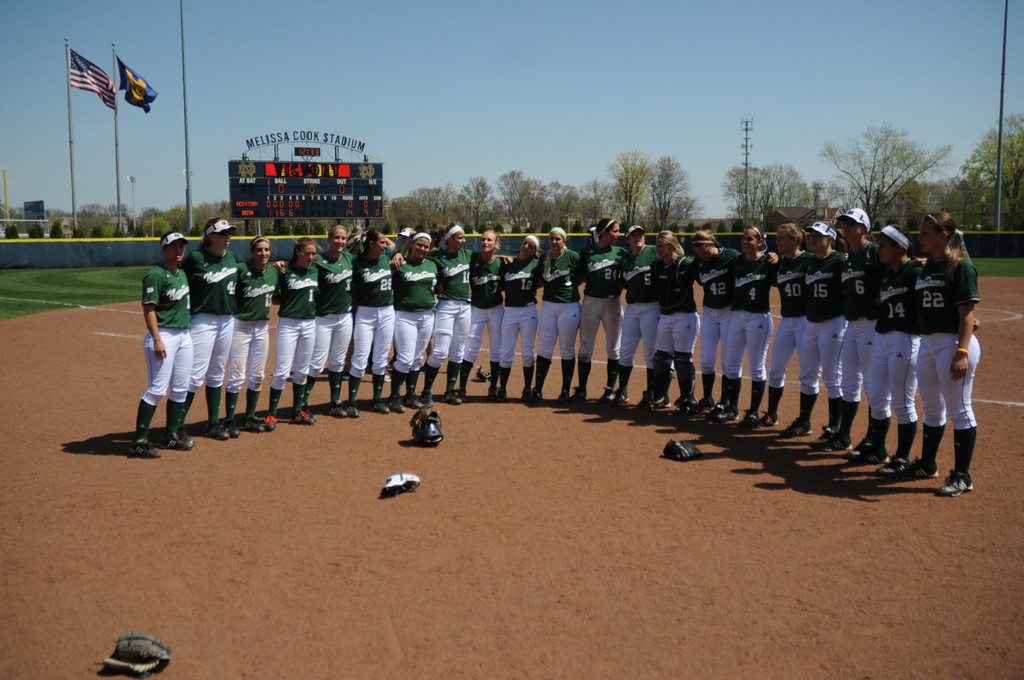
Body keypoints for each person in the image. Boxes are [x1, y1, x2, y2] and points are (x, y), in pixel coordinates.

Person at [900, 212, 980, 496]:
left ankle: (962, 476)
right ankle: (927, 464)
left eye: (925, 234)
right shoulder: (927, 267)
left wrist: (962, 352)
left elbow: (967, 314)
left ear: (943, 235)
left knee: (960, 409)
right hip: (928, 344)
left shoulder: (960, 266)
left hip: (953, 345)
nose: (920, 239)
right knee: (932, 408)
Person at [848, 225, 922, 472]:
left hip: (906, 338)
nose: (879, 249)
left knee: (902, 402)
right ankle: (878, 449)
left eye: (883, 245)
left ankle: (902, 458)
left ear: (899, 247)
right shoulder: (889, 273)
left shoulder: (914, 271)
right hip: (883, 337)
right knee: (878, 397)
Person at [819, 208, 883, 453]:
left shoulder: (874, 252)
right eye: (844, 223)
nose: (846, 226)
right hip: (852, 325)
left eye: (852, 223)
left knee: (871, 384)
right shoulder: (850, 257)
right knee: (849, 382)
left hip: (872, 325)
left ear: (864, 228)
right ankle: (844, 436)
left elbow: (898, 271)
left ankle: (871, 439)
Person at [129, 231, 194, 458]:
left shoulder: (182, 274)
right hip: (164, 335)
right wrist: (157, 339)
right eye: (173, 246)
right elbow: (149, 309)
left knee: (180, 388)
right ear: (163, 249)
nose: (179, 250)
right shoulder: (156, 275)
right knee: (157, 389)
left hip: (184, 336)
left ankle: (171, 434)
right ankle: (139, 441)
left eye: (181, 246)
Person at [781, 222, 847, 441]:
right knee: (807, 375)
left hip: (833, 322)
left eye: (819, 235)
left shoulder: (839, 260)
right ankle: (804, 422)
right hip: (811, 323)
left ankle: (834, 428)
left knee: (832, 377)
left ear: (831, 239)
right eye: (811, 235)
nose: (813, 238)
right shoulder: (810, 261)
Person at [178, 217, 239, 440]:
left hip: (227, 321)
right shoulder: (196, 258)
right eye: (223, 233)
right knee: (194, 375)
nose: (227, 237)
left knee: (217, 374)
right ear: (210, 236)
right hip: (203, 321)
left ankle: (213, 423)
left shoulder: (232, 257)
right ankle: (178, 425)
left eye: (229, 233)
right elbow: (178, 278)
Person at [716, 225, 773, 426]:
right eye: (743, 238)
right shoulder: (736, 262)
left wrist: (776, 257)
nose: (745, 242)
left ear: (760, 242)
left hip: (758, 317)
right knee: (731, 365)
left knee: (756, 366)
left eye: (750, 239)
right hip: (736, 316)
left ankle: (753, 412)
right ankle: (732, 408)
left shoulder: (767, 262)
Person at [224, 236, 278, 434]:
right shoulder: (240, 270)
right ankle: (229, 420)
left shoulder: (273, 272)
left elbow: (278, 296)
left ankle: (249, 417)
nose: (263, 253)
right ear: (252, 252)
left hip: (262, 327)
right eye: (259, 250)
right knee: (237, 375)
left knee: (258, 375)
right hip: (240, 327)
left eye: (266, 250)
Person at [763, 223, 815, 428]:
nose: (777, 243)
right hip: (786, 321)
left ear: (795, 239)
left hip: (805, 321)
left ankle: (805, 421)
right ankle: (771, 414)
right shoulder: (781, 263)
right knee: (775, 370)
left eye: (781, 238)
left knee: (807, 373)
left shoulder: (810, 260)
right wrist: (775, 260)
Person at [265, 238, 320, 428]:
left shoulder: (315, 269)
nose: (311, 257)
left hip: (310, 323)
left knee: (302, 370)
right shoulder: (284, 270)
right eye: (307, 253)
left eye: (313, 254)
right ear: (298, 252)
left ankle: (297, 411)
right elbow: (274, 299)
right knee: (281, 371)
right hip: (288, 323)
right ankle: (271, 414)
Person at [345, 229, 396, 415]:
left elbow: (393, 246)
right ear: (372, 244)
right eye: (381, 242)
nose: (385, 245)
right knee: (360, 357)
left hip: (387, 311)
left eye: (384, 242)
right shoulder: (356, 261)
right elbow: (345, 258)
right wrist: (359, 243)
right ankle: (351, 401)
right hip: (365, 313)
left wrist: (378, 236)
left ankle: (377, 399)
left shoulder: (385, 257)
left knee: (382, 358)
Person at [304, 225, 354, 418]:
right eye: (336, 238)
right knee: (316, 363)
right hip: (323, 319)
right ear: (329, 239)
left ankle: (335, 401)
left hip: (345, 317)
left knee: (338, 362)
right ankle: (303, 402)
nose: (340, 241)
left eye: (343, 238)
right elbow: (298, 265)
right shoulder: (318, 260)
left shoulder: (350, 258)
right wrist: (280, 266)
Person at [574, 218, 626, 403]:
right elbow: (581, 276)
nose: (618, 235)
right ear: (603, 231)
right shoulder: (587, 252)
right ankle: (581, 389)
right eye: (615, 231)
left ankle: (610, 390)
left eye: (618, 231)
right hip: (591, 303)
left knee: (614, 348)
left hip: (613, 303)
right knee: (585, 348)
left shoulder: (621, 253)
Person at [646, 231, 699, 411]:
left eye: (662, 246)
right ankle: (661, 396)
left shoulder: (685, 263)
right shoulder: (658, 266)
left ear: (672, 246)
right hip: (665, 317)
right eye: (657, 246)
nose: (658, 249)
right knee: (661, 359)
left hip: (684, 317)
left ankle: (687, 398)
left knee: (683, 361)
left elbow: (703, 271)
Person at [421, 223, 473, 405]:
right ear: (449, 239)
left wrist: (503, 256)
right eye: (460, 237)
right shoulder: (436, 256)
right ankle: (426, 391)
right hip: (446, 305)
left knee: (458, 351)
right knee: (441, 351)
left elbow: (488, 258)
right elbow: (419, 260)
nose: (464, 241)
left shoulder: (467, 255)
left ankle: (449, 391)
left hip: (465, 306)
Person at [691, 229, 740, 413]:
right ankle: (707, 398)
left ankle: (725, 401)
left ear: (712, 244)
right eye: (698, 253)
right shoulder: (698, 261)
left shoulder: (731, 256)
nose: (702, 257)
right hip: (710, 311)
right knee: (706, 360)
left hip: (729, 311)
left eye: (704, 252)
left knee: (727, 361)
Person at [389, 231, 438, 412]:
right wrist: (396, 254)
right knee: (405, 358)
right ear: (412, 245)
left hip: (427, 315)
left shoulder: (433, 265)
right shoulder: (400, 264)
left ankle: (410, 395)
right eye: (419, 245)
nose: (422, 249)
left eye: (426, 246)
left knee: (417, 359)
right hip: (405, 315)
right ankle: (394, 396)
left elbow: (438, 286)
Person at [533, 227, 581, 403]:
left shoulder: (573, 257)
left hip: (569, 306)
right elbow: (539, 278)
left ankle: (565, 391)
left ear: (564, 241)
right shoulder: (545, 257)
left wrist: (570, 286)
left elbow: (582, 275)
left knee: (567, 348)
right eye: (552, 239)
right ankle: (537, 389)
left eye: (558, 239)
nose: (554, 242)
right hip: (548, 306)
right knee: (544, 347)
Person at [617, 225, 660, 407]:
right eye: (633, 235)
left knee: (651, 354)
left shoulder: (653, 251)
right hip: (632, 309)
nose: (637, 237)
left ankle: (653, 392)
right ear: (627, 240)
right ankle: (623, 391)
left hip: (652, 307)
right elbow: (625, 282)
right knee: (625, 352)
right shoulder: (625, 259)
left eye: (640, 234)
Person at [459, 229, 504, 400]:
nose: (485, 242)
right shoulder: (472, 260)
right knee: (470, 347)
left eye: (489, 240)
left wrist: (504, 258)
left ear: (496, 244)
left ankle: (493, 387)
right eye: (483, 239)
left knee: (496, 349)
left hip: (496, 308)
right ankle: (462, 388)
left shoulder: (502, 264)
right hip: (476, 308)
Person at [498, 235, 542, 401]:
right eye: (525, 243)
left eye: (530, 246)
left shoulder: (536, 265)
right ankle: (502, 389)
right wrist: (501, 256)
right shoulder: (508, 263)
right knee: (506, 352)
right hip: (509, 311)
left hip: (528, 311)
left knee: (527, 353)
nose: (525, 247)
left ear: (534, 251)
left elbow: (545, 279)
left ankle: (527, 388)